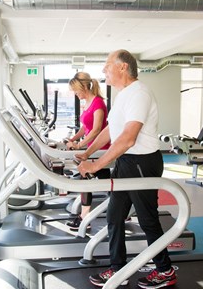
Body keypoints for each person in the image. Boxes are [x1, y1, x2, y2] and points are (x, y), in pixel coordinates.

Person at [76, 50, 177, 288]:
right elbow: (111, 131)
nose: (103, 70)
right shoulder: (123, 95)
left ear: (122, 67)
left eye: (107, 65)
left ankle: (166, 271)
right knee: (114, 216)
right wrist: (87, 153)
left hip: (141, 162)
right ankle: (118, 269)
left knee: (148, 220)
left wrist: (97, 165)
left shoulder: (139, 93)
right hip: (126, 162)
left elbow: (129, 138)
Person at [64, 72, 111, 231]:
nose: (76, 95)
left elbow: (97, 129)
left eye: (76, 91)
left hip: (101, 149)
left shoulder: (98, 103)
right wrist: (73, 140)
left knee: (86, 179)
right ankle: (122, 210)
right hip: (91, 149)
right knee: (106, 182)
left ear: (84, 87)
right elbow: (85, 127)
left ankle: (85, 217)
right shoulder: (88, 103)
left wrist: (79, 146)